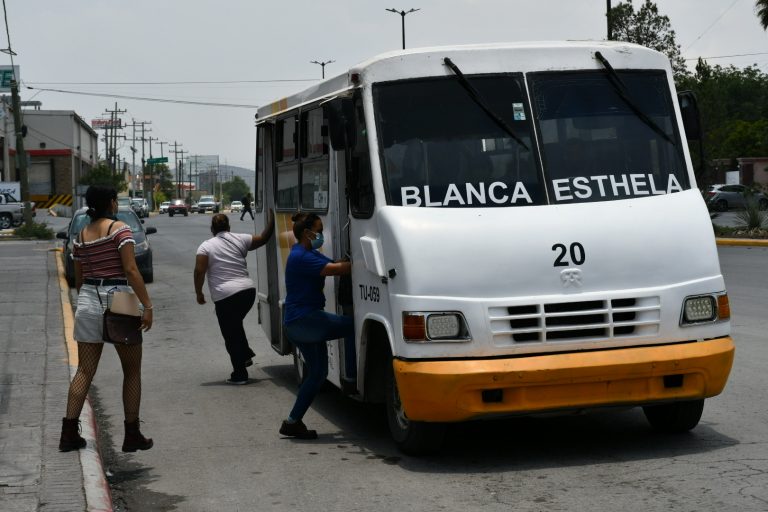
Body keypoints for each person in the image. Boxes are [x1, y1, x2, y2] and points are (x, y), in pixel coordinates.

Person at [59, 185, 154, 453]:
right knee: (132, 370)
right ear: (112, 203)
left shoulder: (81, 235)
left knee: (85, 371)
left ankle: (68, 433)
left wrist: (90, 298)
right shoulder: (120, 229)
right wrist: (147, 305)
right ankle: (132, 434)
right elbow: (131, 270)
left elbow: (78, 277)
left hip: (88, 297)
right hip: (120, 297)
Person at [280, 212, 355, 439]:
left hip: (300, 322)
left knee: (318, 373)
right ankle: (355, 380)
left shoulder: (307, 252)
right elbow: (336, 270)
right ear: (307, 233)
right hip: (305, 320)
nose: (321, 235)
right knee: (354, 326)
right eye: (319, 230)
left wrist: (348, 260)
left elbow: (335, 263)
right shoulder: (302, 257)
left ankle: (292, 421)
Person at [194, 210, 274, 384]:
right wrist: (272, 220)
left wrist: (199, 292)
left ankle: (240, 374)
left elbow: (200, 270)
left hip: (226, 297)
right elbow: (264, 238)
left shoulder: (206, 246)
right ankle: (244, 355)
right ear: (229, 227)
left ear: (212, 229)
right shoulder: (241, 238)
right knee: (235, 326)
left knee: (230, 335)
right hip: (247, 293)